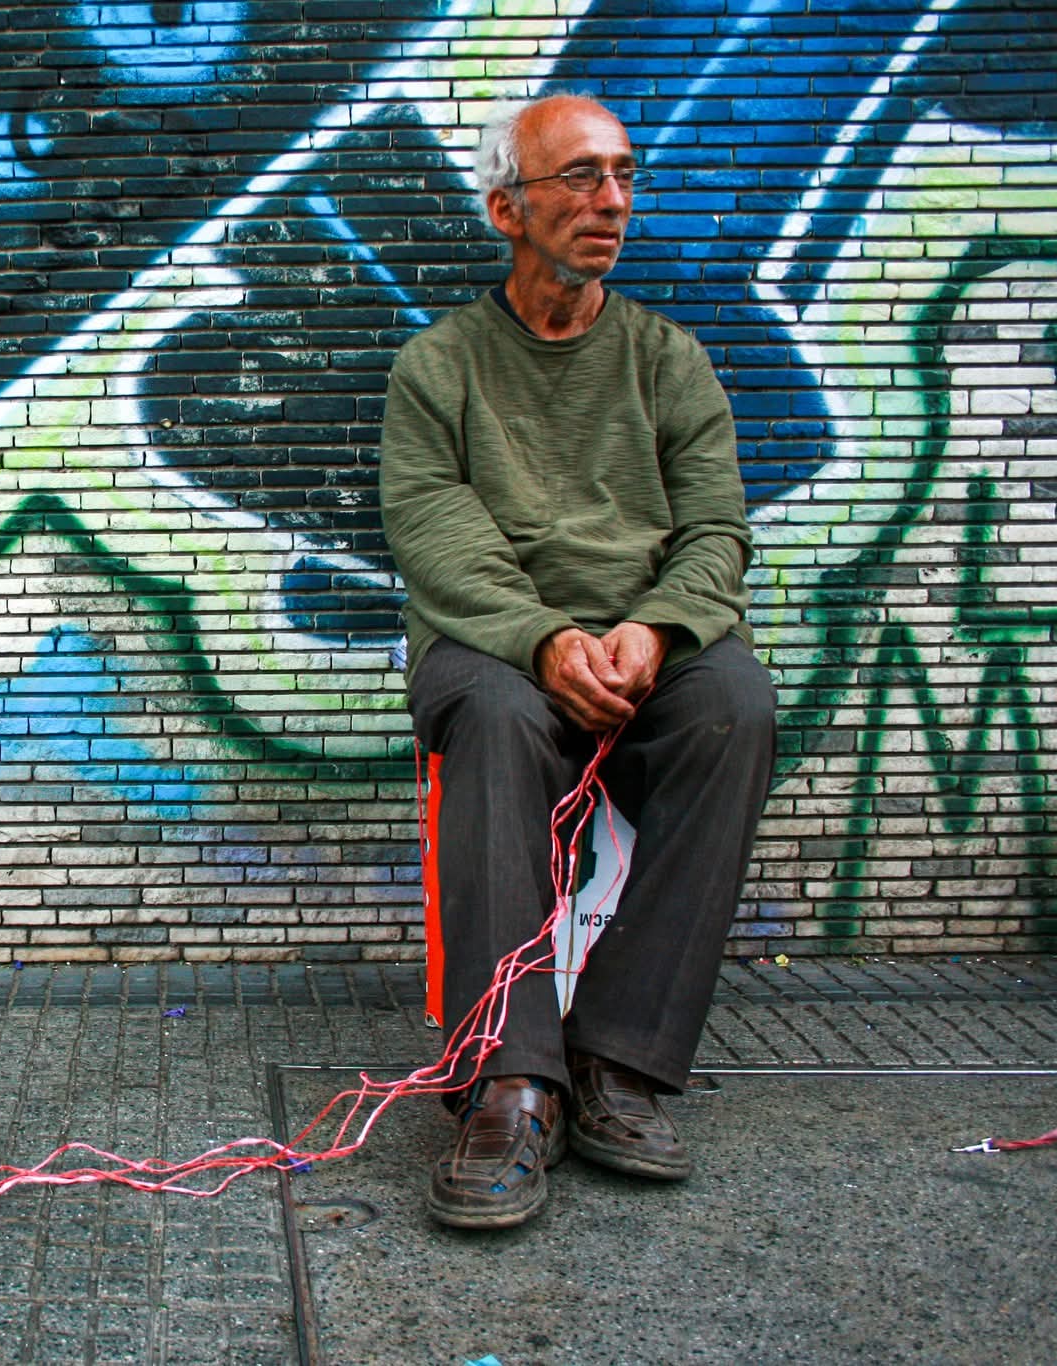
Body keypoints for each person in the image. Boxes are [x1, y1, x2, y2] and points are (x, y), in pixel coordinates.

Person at [378, 94, 777, 1230]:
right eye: (577, 178)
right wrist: (543, 638)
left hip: (647, 641)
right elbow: (433, 534)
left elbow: (715, 532)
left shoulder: (667, 359)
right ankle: (506, 1080)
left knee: (733, 706)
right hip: (493, 645)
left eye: (620, 176)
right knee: (497, 719)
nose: (609, 201)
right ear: (506, 209)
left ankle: (616, 1060)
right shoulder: (437, 367)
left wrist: (653, 630)